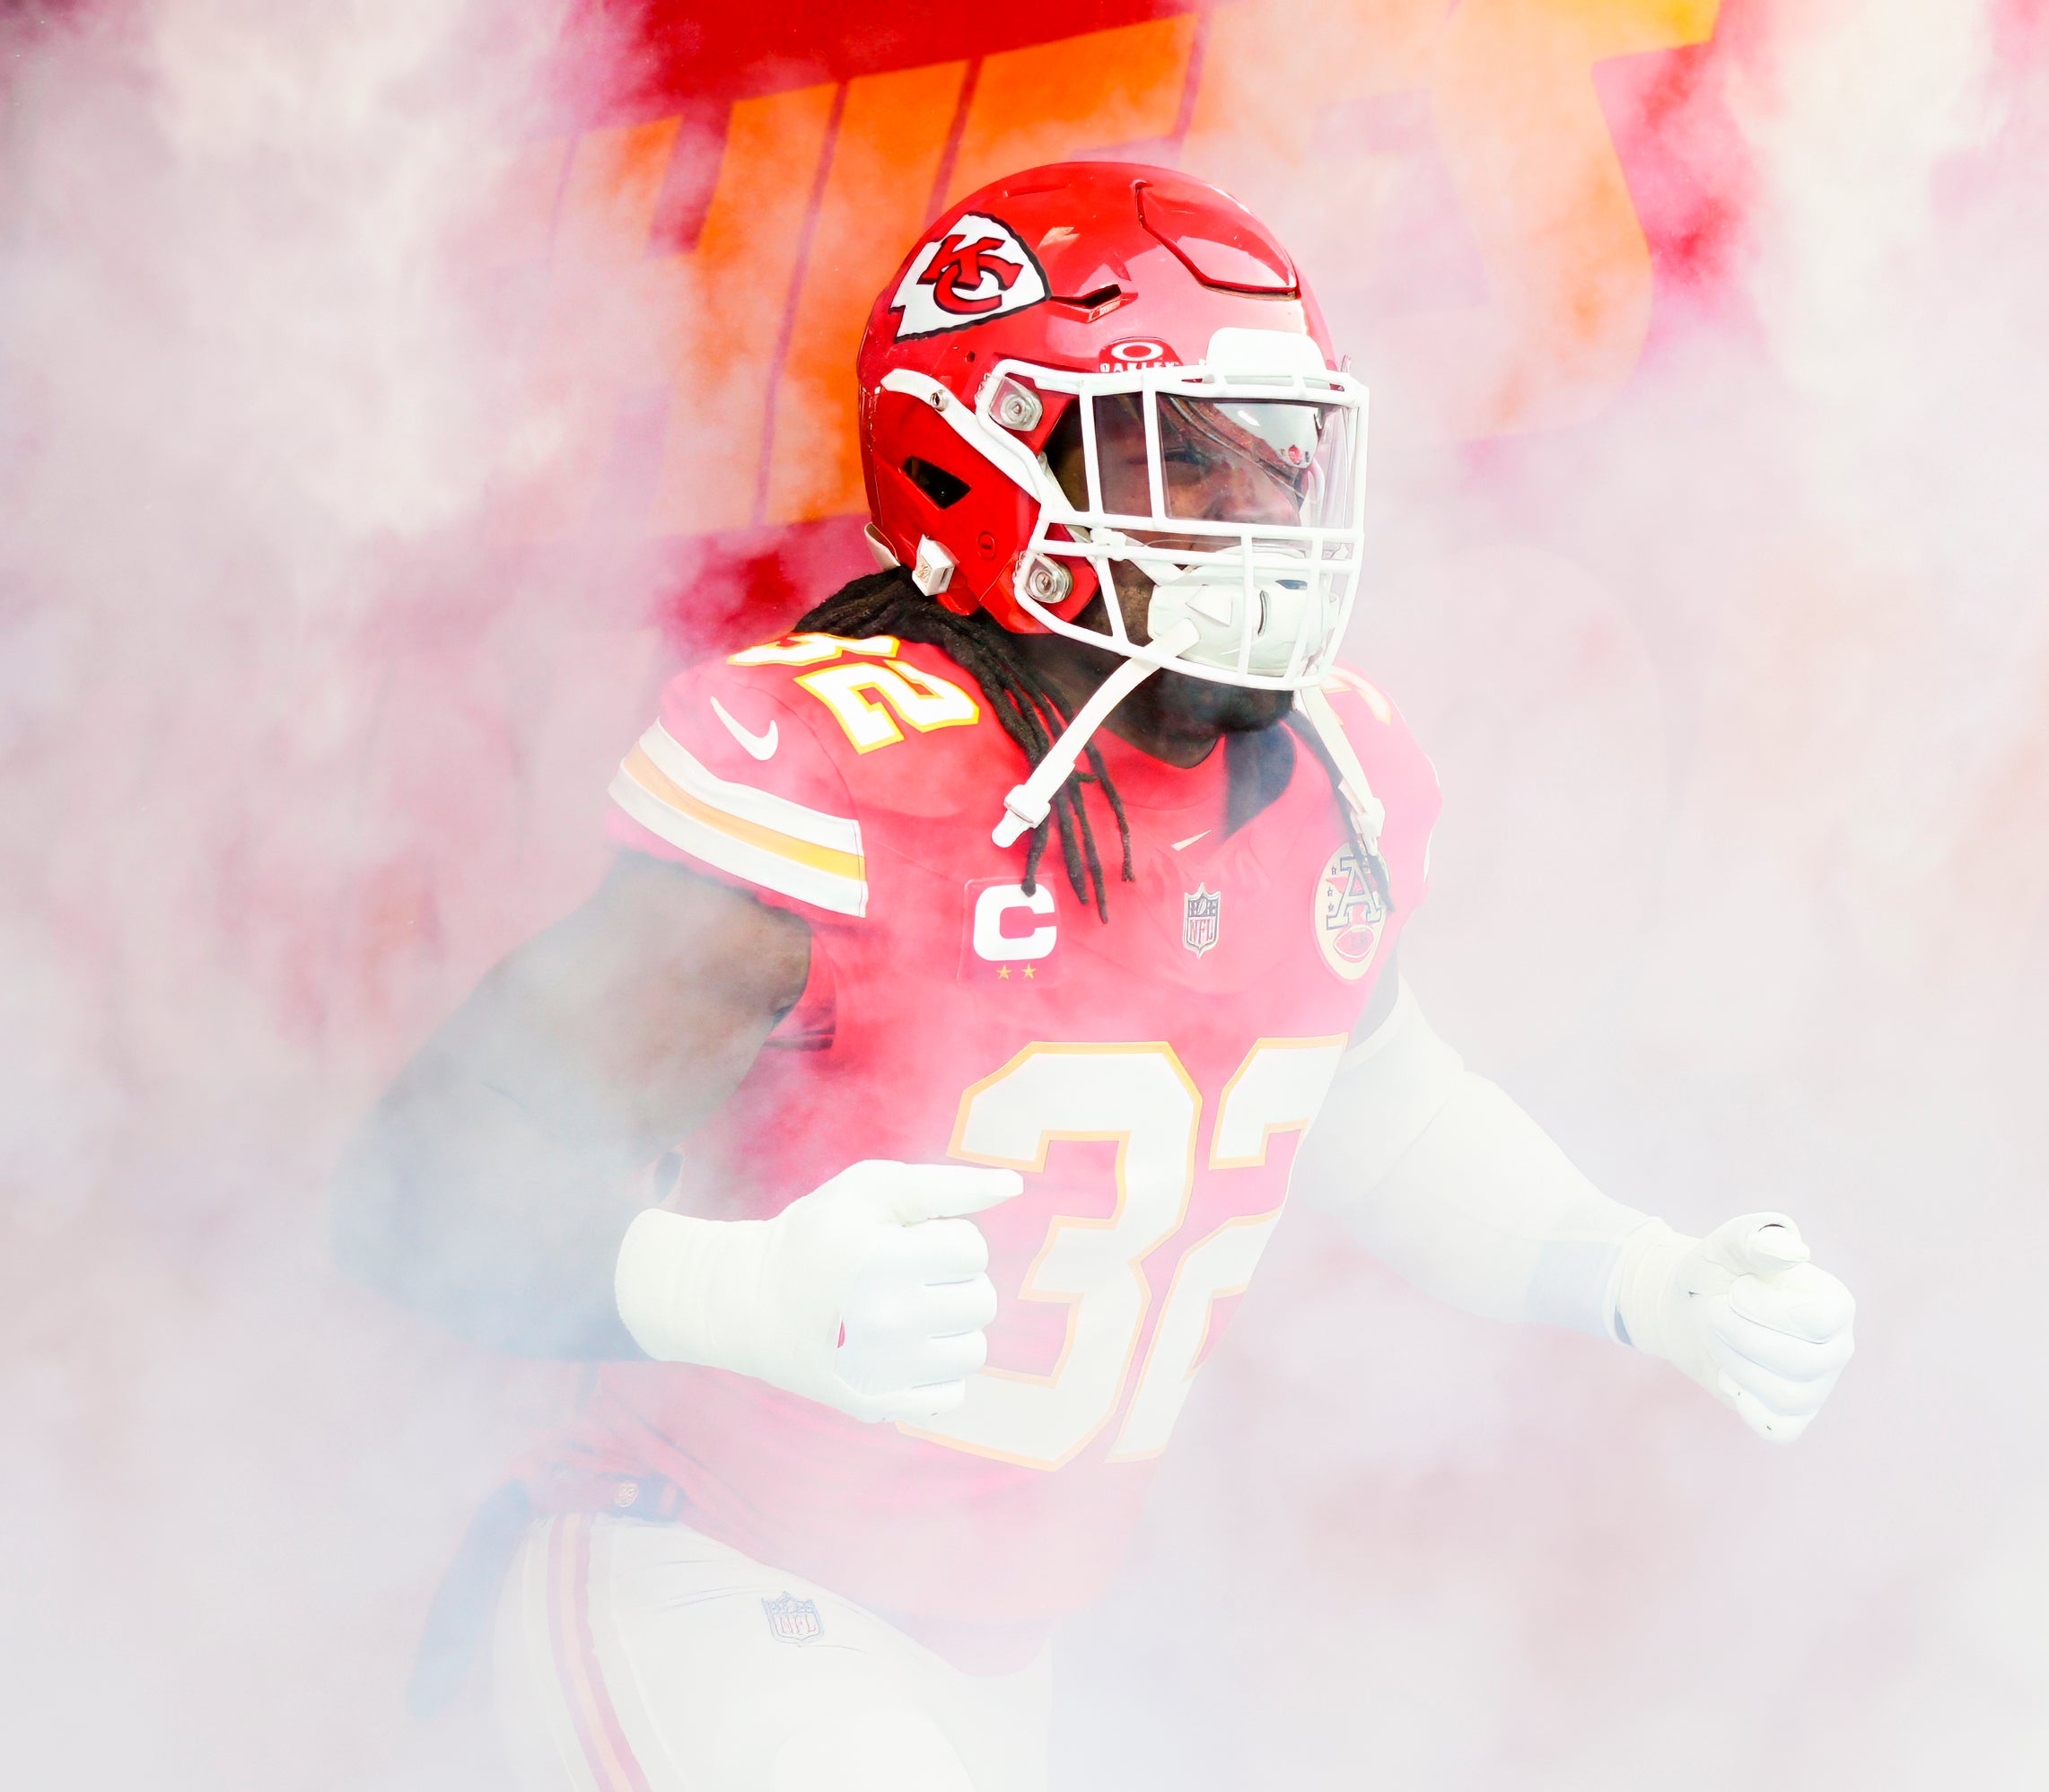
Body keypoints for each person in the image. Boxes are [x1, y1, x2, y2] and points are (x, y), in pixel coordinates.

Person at [334, 161, 1855, 1792]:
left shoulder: (1327, 770)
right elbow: (421, 1184)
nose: (1259, 515)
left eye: (1277, 457)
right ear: (979, 461)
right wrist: (742, 1294)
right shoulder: (842, 774)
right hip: (717, 1582)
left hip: (1000, 1657)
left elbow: (1378, 1111)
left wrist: (1644, 1276)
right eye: (1178, 462)